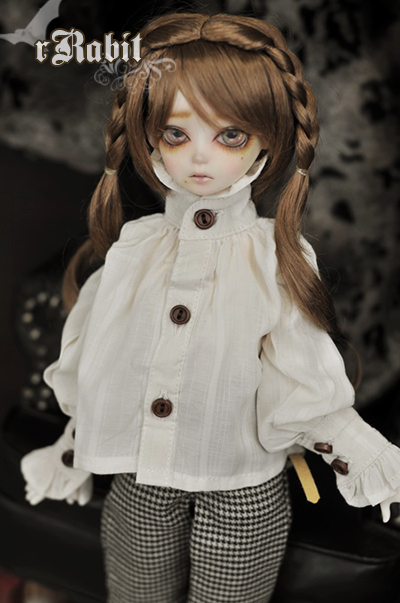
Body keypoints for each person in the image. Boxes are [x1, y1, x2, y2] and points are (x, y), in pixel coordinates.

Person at [21, 12, 400, 603]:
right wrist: (73, 446)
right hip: (141, 480)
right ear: (149, 138)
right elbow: (105, 363)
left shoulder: (274, 255)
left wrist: (361, 451)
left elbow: (299, 371)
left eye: (230, 136)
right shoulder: (136, 247)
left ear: (267, 139)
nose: (200, 158)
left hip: (242, 489)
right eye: (176, 135)